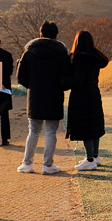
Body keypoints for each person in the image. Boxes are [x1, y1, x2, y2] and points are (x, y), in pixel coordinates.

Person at [16, 21, 71, 174]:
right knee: (51, 131)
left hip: (35, 96)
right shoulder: (61, 53)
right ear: (56, 35)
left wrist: (33, 86)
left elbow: (21, 77)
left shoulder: (29, 51)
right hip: (54, 96)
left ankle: (27, 163)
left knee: (33, 130)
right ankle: (48, 165)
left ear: (40, 34)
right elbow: (67, 77)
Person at [65, 30, 109, 171]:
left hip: (81, 96)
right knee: (94, 125)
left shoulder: (78, 58)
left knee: (85, 126)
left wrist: (63, 80)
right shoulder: (95, 57)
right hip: (94, 93)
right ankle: (95, 156)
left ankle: (89, 159)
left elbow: (77, 80)